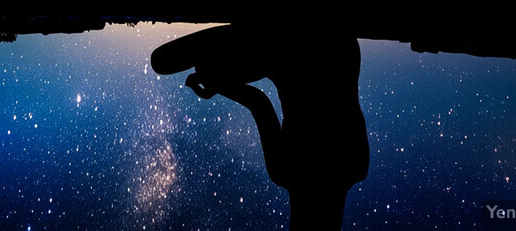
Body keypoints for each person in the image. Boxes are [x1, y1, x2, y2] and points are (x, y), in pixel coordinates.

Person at [151, 22, 370, 230]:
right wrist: (217, 84)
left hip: (337, 46)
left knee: (189, 64)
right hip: (281, 53)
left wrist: (217, 81)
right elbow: (258, 102)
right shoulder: (285, 172)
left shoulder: (357, 167)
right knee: (164, 61)